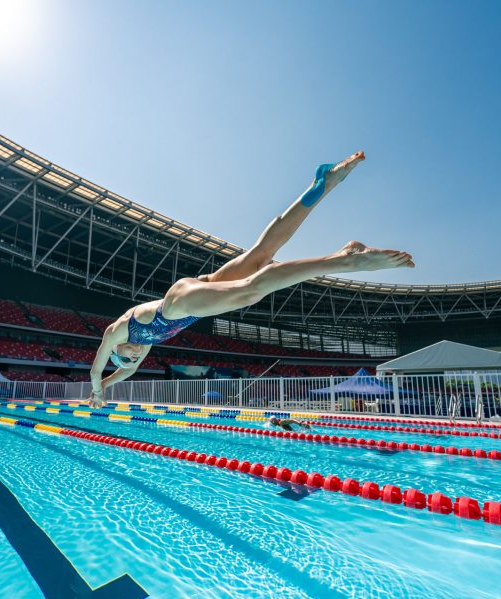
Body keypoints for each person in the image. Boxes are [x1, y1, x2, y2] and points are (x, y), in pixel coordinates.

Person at [88, 150, 414, 408]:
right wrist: (105, 389)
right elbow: (124, 372)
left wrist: (95, 386)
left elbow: (97, 367)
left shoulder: (116, 333)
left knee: (249, 291)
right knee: (262, 253)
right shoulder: (138, 349)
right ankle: (322, 183)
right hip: (195, 292)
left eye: (128, 354)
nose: (135, 354)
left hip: (177, 305)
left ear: (117, 349)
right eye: (133, 357)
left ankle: (342, 260)